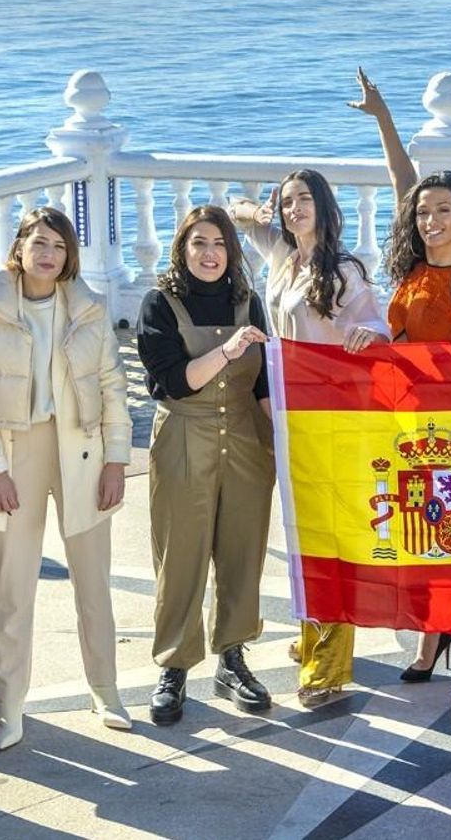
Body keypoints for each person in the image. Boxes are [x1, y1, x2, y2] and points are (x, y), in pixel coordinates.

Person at [0, 206, 132, 749]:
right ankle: (10, 707)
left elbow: (112, 384)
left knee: (93, 582)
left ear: (68, 254)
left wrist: (116, 460)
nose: (48, 254)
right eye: (39, 243)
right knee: (13, 588)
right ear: (19, 249)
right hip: (17, 453)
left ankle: (106, 690)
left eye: (58, 245)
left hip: (81, 449)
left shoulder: (89, 308)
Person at [352, 68, 451, 720]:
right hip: (406, 423)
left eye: (444, 209)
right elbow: (402, 178)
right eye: (424, 211)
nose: (431, 217)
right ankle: (432, 636)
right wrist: (382, 116)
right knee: (421, 534)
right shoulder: (413, 267)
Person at [230, 170, 389, 709]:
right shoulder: (279, 254)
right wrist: (261, 210)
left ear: (324, 207)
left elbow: (377, 327)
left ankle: (329, 662)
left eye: (305, 201)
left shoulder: (342, 270)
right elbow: (233, 210)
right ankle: (310, 636)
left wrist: (369, 335)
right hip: (287, 414)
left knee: (329, 537)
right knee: (301, 533)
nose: (296, 209)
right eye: (289, 201)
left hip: (330, 419)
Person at [136, 205, 278, 722]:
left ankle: (232, 659)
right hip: (183, 439)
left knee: (243, 554)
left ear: (231, 251)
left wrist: (282, 439)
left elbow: (263, 383)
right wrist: (228, 351)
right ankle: (174, 666)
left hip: (245, 440)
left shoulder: (250, 303)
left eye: (219, 243)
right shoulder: (159, 305)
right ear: (182, 249)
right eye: (199, 243)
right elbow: (171, 382)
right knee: (180, 556)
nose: (210, 253)